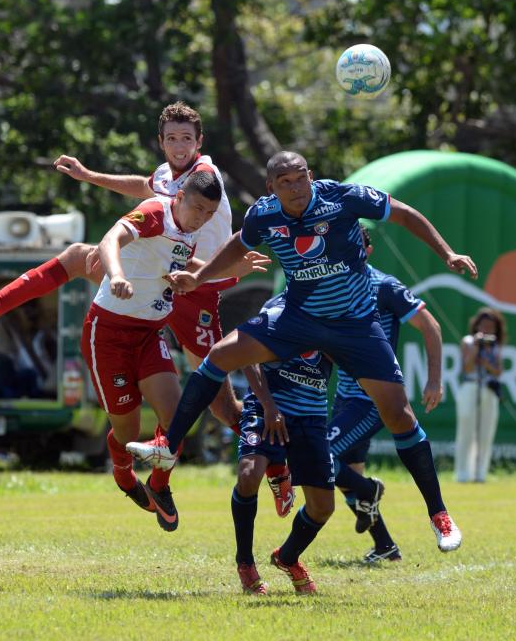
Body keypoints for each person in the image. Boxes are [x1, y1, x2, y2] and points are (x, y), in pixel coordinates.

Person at [0, 101, 294, 513]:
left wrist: (232, 261)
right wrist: (89, 176)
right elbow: (147, 189)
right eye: (172, 139)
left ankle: (276, 469)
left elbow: (153, 202)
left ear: (199, 142)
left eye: (187, 138)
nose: (179, 146)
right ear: (162, 141)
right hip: (166, 277)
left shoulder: (204, 175)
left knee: (222, 403)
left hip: (197, 289)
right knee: (82, 255)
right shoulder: (171, 177)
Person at [132, 150, 477, 554]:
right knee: (220, 356)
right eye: (285, 183)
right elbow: (235, 245)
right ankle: (167, 447)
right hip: (299, 317)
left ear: (310, 176)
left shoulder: (343, 198)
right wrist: (199, 276)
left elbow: (403, 213)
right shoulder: (265, 214)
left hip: (354, 324)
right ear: (271, 188)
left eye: (300, 179)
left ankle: (439, 513)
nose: (295, 189)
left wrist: (447, 252)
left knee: (399, 414)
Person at [78, 170, 267, 531]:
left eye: (209, 215)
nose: (201, 219)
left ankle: (159, 485)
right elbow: (110, 239)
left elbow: (184, 265)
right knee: (127, 431)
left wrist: (230, 269)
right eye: (197, 208)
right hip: (108, 335)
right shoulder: (154, 212)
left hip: (149, 334)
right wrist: (116, 275)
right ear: (179, 197)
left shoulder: (188, 231)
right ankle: (122, 473)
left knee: (176, 418)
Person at [326, 225, 444, 563]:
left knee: (320, 458)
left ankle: (372, 492)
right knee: (348, 472)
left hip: (373, 400)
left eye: (355, 244)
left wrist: (434, 380)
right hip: (347, 397)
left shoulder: (385, 286)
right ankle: (385, 547)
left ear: (368, 249)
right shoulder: (332, 287)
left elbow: (431, 326)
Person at [225, 295, 335, 595]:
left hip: (311, 417)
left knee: (323, 507)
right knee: (248, 476)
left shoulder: (337, 307)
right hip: (268, 410)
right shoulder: (277, 307)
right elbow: (247, 356)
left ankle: (287, 557)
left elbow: (351, 354)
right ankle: (245, 563)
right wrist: (269, 406)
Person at [454, 307, 506, 483]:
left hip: (488, 388)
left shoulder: (495, 345)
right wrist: (476, 347)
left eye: (490, 326)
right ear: (477, 325)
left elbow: (498, 371)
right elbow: (466, 367)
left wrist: (486, 362)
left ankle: (480, 473)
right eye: (483, 325)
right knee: (466, 430)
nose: (486, 330)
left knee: (486, 432)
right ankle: (462, 473)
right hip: (470, 385)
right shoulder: (468, 341)